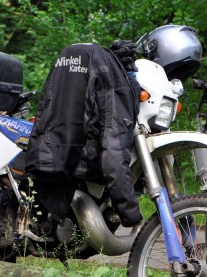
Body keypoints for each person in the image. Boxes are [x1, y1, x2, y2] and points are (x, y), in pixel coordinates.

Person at [25, 41, 143, 235]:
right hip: (77, 164)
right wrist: (131, 214)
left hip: (47, 156)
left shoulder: (72, 57)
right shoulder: (106, 70)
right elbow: (114, 147)